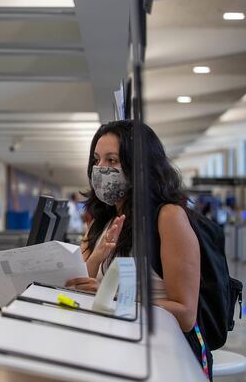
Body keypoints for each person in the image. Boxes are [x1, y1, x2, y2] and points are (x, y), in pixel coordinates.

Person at [64, 121, 210, 379]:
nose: (101, 169)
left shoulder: (168, 217)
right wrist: (96, 258)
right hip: (113, 346)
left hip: (159, 354)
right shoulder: (101, 221)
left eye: (112, 160)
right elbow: (77, 282)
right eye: (97, 160)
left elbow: (185, 314)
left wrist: (115, 298)